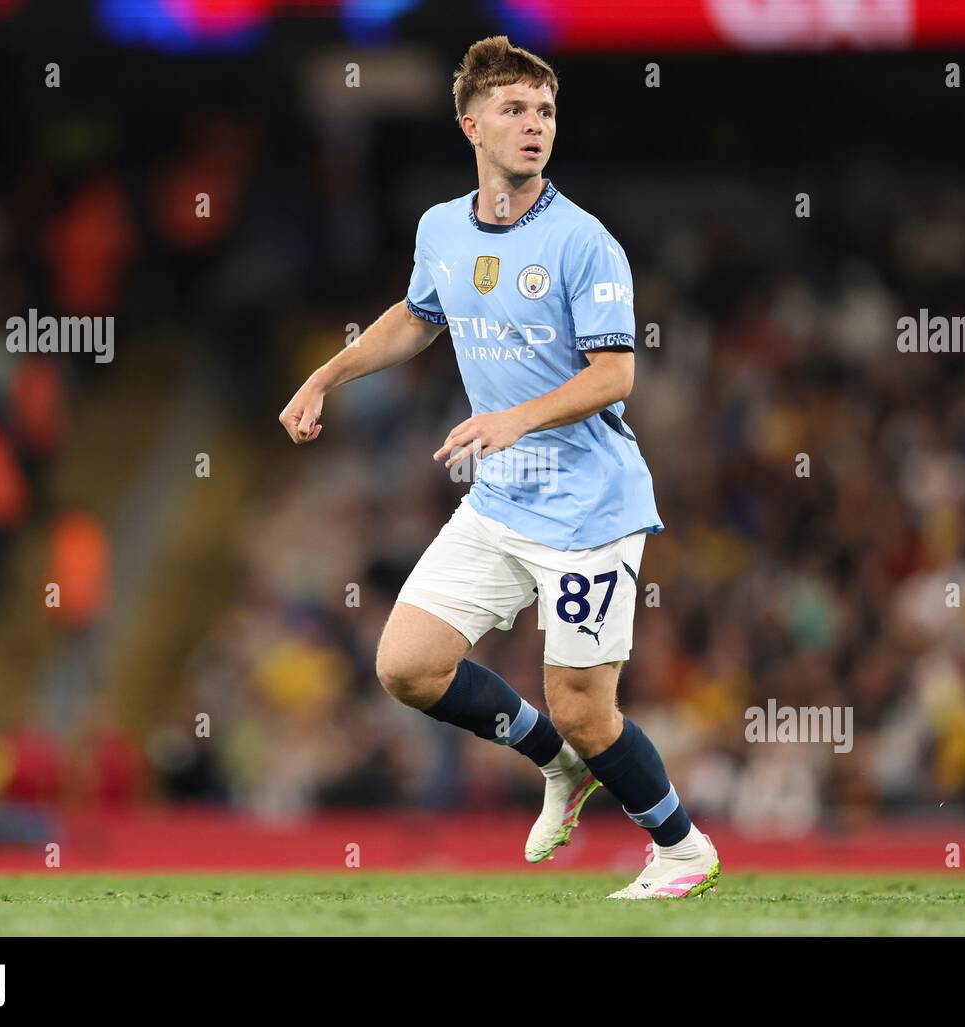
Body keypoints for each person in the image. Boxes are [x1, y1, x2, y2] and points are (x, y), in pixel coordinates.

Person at [279, 36, 719, 899]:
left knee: (587, 705)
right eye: (515, 110)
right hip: (501, 500)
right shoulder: (441, 228)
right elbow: (417, 317)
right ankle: (554, 763)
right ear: (470, 123)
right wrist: (326, 374)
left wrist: (512, 418)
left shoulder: (584, 241)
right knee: (405, 665)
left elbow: (615, 373)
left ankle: (680, 846)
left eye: (545, 112)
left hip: (590, 505)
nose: (534, 126)